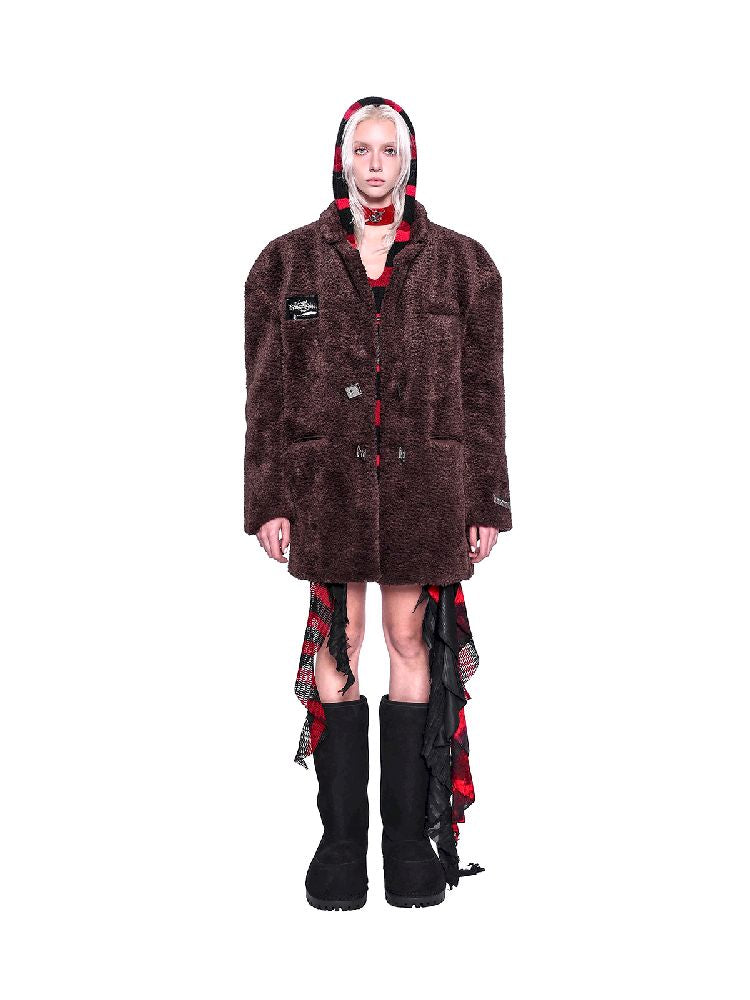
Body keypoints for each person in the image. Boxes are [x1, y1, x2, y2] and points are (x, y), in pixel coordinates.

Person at [244, 96, 512, 910]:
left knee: (407, 637)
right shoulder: (283, 266)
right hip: (324, 484)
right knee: (342, 638)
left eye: (387, 150)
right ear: (341, 159)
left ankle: (405, 843)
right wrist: (268, 498)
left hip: (429, 484)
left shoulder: (465, 265)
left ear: (408, 161)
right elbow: (265, 394)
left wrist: (486, 499)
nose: (373, 164)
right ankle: (340, 844)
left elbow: (483, 393)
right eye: (361, 149)